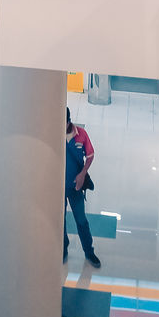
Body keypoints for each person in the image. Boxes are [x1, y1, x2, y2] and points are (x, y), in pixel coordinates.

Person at [64, 107, 100, 267]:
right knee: (60, 221)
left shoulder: (81, 135)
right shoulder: (52, 134)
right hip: (58, 187)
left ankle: (89, 251)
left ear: (68, 121)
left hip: (76, 187)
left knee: (81, 221)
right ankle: (62, 249)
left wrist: (83, 173)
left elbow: (90, 156)